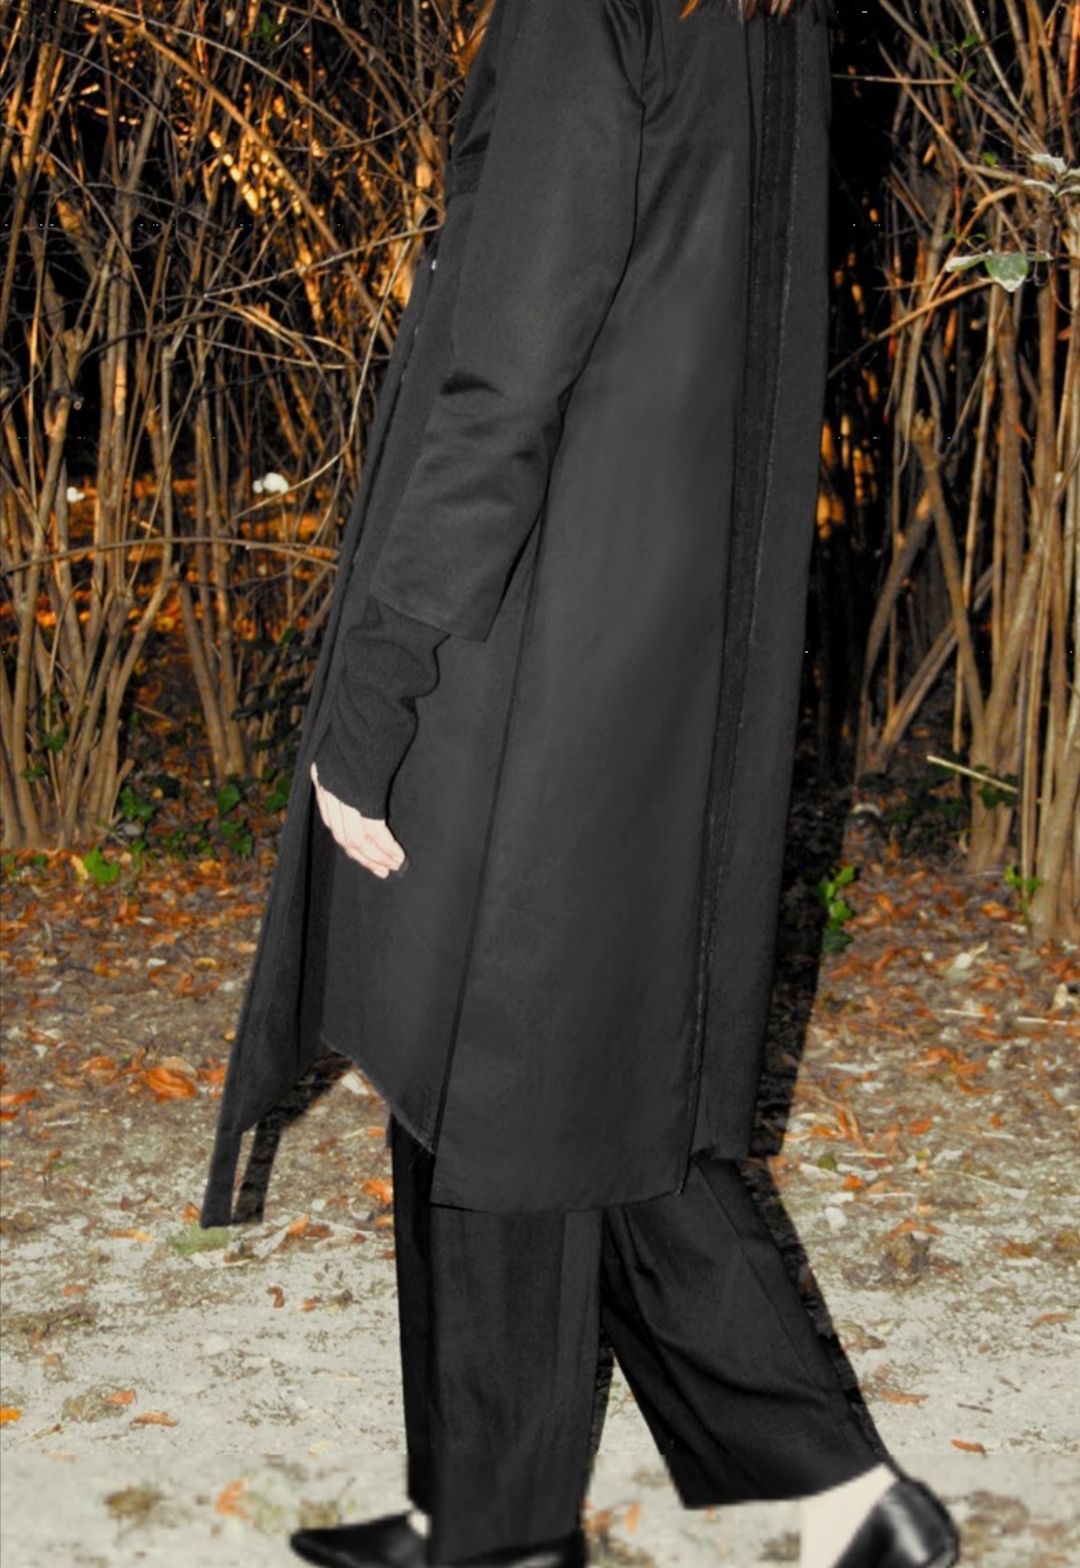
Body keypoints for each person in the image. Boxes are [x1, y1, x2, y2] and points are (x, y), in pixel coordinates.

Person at [202, 2, 961, 1566]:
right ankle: (558, 1511)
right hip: (656, 637)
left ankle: (537, 1528)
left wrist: (380, 676)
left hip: (528, 632)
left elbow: (505, 368)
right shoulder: (756, 21)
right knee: (550, 1077)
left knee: (495, 1065)